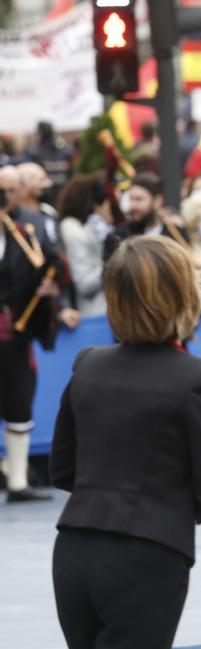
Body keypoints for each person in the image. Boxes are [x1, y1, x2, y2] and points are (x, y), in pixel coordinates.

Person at [49, 235, 201, 649]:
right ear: (182, 294)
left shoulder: (88, 363)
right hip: (148, 554)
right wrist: (162, 510)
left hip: (74, 547)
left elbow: (62, 467)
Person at [1, 179, 61, 503]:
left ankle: (18, 482)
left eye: (10, 191)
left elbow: (51, 266)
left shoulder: (29, 226)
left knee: (19, 402)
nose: (5, 198)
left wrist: (51, 288)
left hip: (14, 333)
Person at [56, 174, 114, 316]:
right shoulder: (79, 235)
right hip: (98, 317)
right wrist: (111, 264)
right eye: (110, 203)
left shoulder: (109, 232)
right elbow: (84, 284)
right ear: (98, 206)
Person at [23, 121, 73, 206]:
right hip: (63, 198)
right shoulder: (65, 152)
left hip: (45, 201)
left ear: (40, 133)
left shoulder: (35, 154)